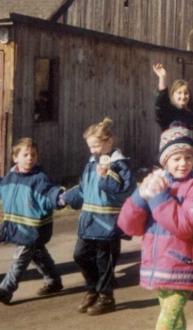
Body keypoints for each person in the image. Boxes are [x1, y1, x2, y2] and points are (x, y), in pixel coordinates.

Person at [118, 126, 193, 330]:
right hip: (159, 265)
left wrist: (158, 197)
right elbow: (129, 227)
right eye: (176, 158)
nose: (183, 164)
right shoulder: (157, 184)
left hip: (182, 264)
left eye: (188, 158)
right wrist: (141, 195)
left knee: (166, 323)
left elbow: (186, 226)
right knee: (176, 321)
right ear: (165, 161)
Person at [60, 118, 135, 315]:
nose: (93, 150)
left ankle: (106, 297)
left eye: (96, 145)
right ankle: (92, 289)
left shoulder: (119, 165)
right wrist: (66, 198)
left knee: (104, 262)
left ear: (109, 143)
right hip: (89, 220)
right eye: (90, 146)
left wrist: (106, 176)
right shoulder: (91, 163)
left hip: (108, 224)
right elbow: (84, 189)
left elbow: (125, 190)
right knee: (80, 256)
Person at [0, 138, 64, 304]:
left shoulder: (40, 179)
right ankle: (54, 281)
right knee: (38, 255)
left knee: (20, 258)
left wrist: (59, 197)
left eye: (33, 154)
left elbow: (49, 192)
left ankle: (5, 290)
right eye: (25, 154)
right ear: (15, 157)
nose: (30, 158)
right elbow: (0, 187)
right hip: (20, 225)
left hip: (34, 228)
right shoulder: (11, 176)